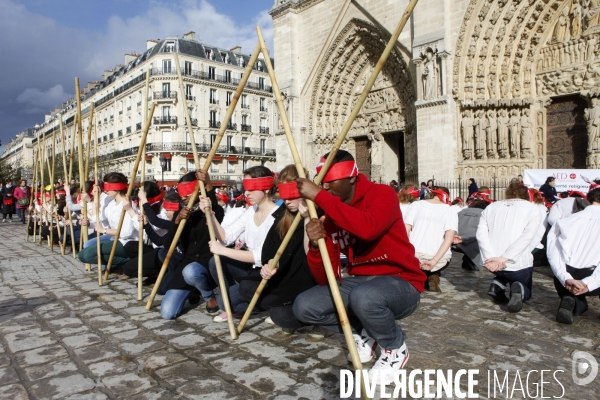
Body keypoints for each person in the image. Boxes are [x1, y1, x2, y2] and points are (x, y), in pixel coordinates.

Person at [293, 150, 425, 380]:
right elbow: (327, 278)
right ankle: (365, 332)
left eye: (330, 181)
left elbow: (368, 228)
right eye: (321, 183)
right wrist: (315, 246)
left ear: (352, 177)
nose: (324, 187)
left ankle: (395, 347)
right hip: (360, 283)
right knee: (304, 306)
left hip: (401, 281)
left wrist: (321, 198)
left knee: (365, 297)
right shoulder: (332, 215)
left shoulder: (382, 194)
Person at [234, 165, 316, 332]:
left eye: (292, 197)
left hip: (306, 282)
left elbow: (311, 253)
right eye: (284, 197)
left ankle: (314, 319)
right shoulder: (281, 215)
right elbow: (271, 249)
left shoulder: (317, 213)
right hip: (283, 279)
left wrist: (307, 219)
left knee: (280, 315)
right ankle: (286, 306)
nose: (287, 202)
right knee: (244, 289)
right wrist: (270, 264)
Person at [206, 166, 279, 321]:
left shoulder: (275, 216)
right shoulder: (251, 211)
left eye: (252, 188)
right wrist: (210, 214)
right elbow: (226, 237)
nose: (246, 193)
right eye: (246, 188)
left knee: (227, 303)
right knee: (215, 263)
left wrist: (223, 251)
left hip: (268, 273)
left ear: (266, 188)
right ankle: (235, 299)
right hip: (250, 270)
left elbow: (261, 255)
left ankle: (273, 304)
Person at [159, 171, 224, 320]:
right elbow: (168, 246)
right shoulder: (180, 213)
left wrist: (208, 185)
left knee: (191, 272)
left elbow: (217, 218)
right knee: (167, 312)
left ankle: (208, 296)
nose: (183, 197)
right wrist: (176, 223)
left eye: (187, 192)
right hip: (187, 263)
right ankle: (194, 289)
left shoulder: (210, 209)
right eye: (181, 192)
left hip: (208, 262)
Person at [476, 182, 542, 313]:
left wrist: (490, 257)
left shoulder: (491, 207)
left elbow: (481, 234)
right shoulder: (532, 208)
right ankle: (519, 290)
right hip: (517, 263)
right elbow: (527, 237)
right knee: (524, 286)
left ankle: (497, 285)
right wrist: (504, 258)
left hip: (492, 264)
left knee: (503, 274)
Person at [547, 184, 600, 324]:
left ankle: (572, 302)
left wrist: (565, 278)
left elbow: (553, 253)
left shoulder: (564, 221)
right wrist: (588, 283)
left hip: (567, 279)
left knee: (572, 292)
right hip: (594, 280)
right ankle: (574, 302)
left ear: (588, 199)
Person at [78, 173, 139, 272]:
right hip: (114, 238)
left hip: (127, 242)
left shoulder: (128, 205)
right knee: (82, 255)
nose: (105, 190)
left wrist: (104, 230)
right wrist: (89, 223)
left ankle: (131, 261)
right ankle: (116, 264)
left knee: (88, 255)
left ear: (117, 188)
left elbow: (127, 233)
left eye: (108, 187)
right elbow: (97, 218)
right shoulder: (111, 204)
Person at [404, 186, 457, 292]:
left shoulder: (416, 205)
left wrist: (407, 253)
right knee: (446, 256)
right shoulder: (449, 210)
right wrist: (434, 260)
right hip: (437, 259)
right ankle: (433, 275)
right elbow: (449, 239)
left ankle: (421, 276)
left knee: (416, 268)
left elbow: (405, 231)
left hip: (415, 254)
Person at [454, 200, 492, 271]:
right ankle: (471, 264)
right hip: (472, 241)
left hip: (454, 238)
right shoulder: (485, 214)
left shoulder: (461, 212)